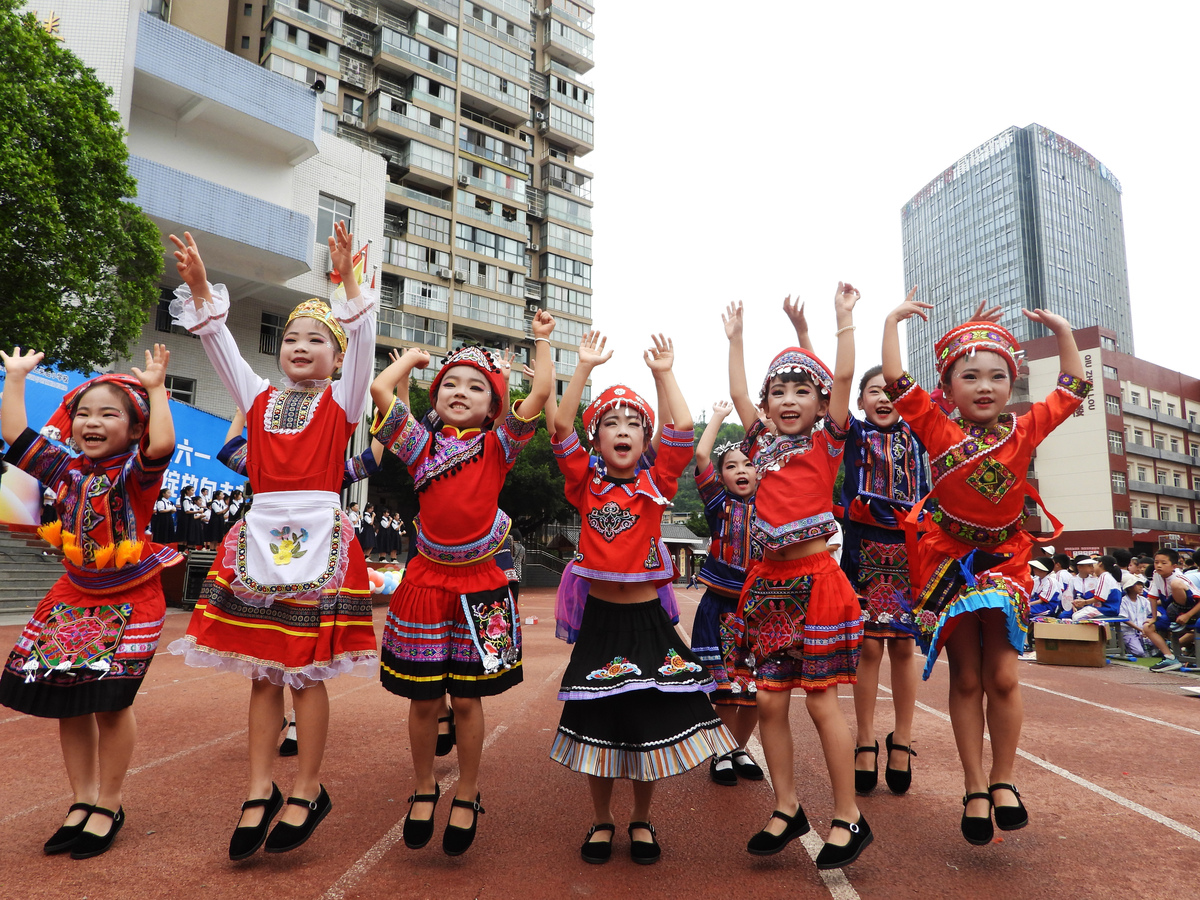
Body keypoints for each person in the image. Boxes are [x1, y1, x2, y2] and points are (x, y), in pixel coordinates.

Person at [166, 224, 379, 860]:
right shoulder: (257, 398)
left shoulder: (344, 399)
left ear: (338, 360)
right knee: (264, 675)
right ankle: (258, 786)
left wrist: (346, 281)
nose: (300, 347)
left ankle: (307, 787)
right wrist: (201, 287)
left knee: (307, 674)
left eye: (317, 340)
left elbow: (363, 335)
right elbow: (221, 346)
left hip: (320, 536)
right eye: (290, 338)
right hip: (260, 537)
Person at [881, 291, 1089, 846]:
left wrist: (1064, 331)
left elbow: (1073, 386)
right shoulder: (934, 428)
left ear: (1011, 386)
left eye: (998, 376)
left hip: (1006, 561)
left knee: (1002, 675)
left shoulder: (1025, 430)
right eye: (969, 377)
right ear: (947, 389)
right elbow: (898, 382)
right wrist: (891, 322)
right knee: (966, 677)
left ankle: (1003, 780)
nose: (985, 387)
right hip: (948, 561)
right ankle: (973, 786)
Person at [368, 315, 556, 857]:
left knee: (468, 700)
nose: (460, 392)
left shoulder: (500, 445)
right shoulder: (420, 445)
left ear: (494, 406)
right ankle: (424, 786)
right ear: (436, 395)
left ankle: (468, 791)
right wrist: (413, 361)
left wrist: (542, 339)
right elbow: (382, 389)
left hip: (481, 582)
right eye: (450, 383)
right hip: (427, 580)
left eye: (476, 386)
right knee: (424, 698)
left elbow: (541, 390)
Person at [549, 331, 735, 866]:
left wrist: (664, 373)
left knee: (649, 725)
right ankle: (602, 820)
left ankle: (641, 820)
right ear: (598, 438)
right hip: (601, 623)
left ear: (643, 436)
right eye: (611, 423)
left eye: (633, 423)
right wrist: (582, 369)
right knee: (599, 723)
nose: (623, 430)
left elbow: (681, 428)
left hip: (649, 622)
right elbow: (561, 427)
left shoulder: (657, 482)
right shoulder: (583, 482)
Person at [0, 345, 181, 858]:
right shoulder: (65, 468)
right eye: (83, 413)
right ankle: (80, 801)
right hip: (73, 595)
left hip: (129, 596)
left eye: (108, 414)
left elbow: (163, 441)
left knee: (109, 702)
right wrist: (15, 378)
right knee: (66, 702)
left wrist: (156, 388)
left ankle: (110, 802)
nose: (92, 422)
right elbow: (16, 435)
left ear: (132, 428)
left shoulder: (135, 474)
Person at [723, 285, 872, 870]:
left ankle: (848, 816)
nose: (789, 399)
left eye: (801, 390)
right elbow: (738, 391)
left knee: (821, 705)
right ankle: (787, 807)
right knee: (768, 702)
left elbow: (844, 374)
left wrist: (842, 323)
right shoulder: (759, 442)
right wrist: (735, 339)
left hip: (816, 582)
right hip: (768, 586)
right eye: (778, 391)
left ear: (819, 401)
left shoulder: (826, 440)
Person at [840, 363, 926, 797]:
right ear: (860, 402)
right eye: (874, 391)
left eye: (892, 390)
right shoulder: (853, 434)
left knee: (905, 645)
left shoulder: (922, 431)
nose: (884, 397)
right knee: (870, 645)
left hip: (912, 550)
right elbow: (833, 389)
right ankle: (864, 740)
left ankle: (903, 740)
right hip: (865, 549)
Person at [690, 399, 764, 788]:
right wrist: (717, 414)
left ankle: (739, 748)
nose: (740, 470)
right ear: (720, 477)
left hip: (759, 609)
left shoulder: (772, 505)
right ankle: (719, 752)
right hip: (719, 607)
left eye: (747, 464)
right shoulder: (718, 504)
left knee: (754, 688)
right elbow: (702, 453)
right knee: (722, 687)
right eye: (731, 465)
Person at [1148, 548, 1196, 671]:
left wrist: (1187, 615)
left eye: (1163, 563)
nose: (1158, 566)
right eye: (1156, 562)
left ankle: (1182, 618)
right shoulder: (1156, 575)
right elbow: (1152, 596)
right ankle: (1170, 658)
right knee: (1147, 627)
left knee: (1175, 584)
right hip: (1172, 611)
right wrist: (1153, 618)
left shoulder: (1180, 578)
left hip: (1192, 611)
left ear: (1174, 565)